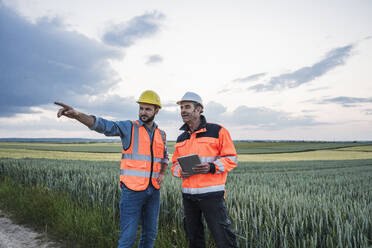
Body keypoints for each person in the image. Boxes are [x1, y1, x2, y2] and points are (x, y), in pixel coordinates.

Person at [55, 90, 168, 248]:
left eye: (148, 109)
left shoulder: (161, 134)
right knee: (127, 238)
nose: (143, 112)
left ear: (156, 110)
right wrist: (77, 115)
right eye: (141, 108)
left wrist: (162, 173)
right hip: (132, 192)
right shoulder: (129, 127)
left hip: (154, 191)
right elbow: (103, 125)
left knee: (150, 236)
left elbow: (164, 157)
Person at [171, 92, 238, 248]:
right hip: (188, 196)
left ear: (199, 109)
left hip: (212, 195)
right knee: (194, 239)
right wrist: (180, 171)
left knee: (223, 237)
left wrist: (211, 167)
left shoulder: (218, 131)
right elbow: (174, 165)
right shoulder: (182, 138)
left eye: (187, 107)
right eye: (181, 107)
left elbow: (231, 159)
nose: (183, 110)